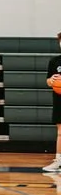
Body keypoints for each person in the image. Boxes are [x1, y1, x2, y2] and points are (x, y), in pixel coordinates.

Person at [43, 31, 61, 173]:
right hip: (59, 100)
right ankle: (59, 161)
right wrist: (52, 81)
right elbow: (48, 81)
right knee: (60, 132)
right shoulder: (54, 61)